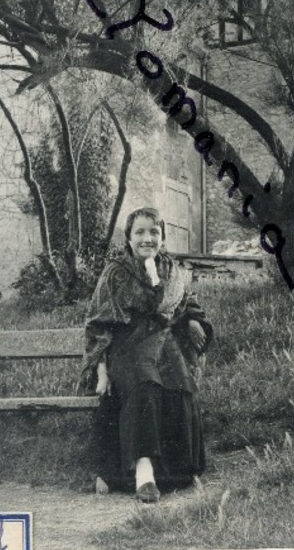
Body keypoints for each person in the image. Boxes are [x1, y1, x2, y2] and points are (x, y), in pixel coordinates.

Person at [79, 206, 213, 503]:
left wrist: (192, 320)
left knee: (179, 382)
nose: (147, 238)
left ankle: (175, 472)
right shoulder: (116, 273)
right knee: (145, 384)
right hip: (127, 346)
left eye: (154, 232)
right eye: (139, 232)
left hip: (163, 343)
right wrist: (101, 370)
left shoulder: (170, 269)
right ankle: (143, 473)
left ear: (162, 237)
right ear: (128, 238)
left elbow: (185, 302)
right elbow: (98, 323)